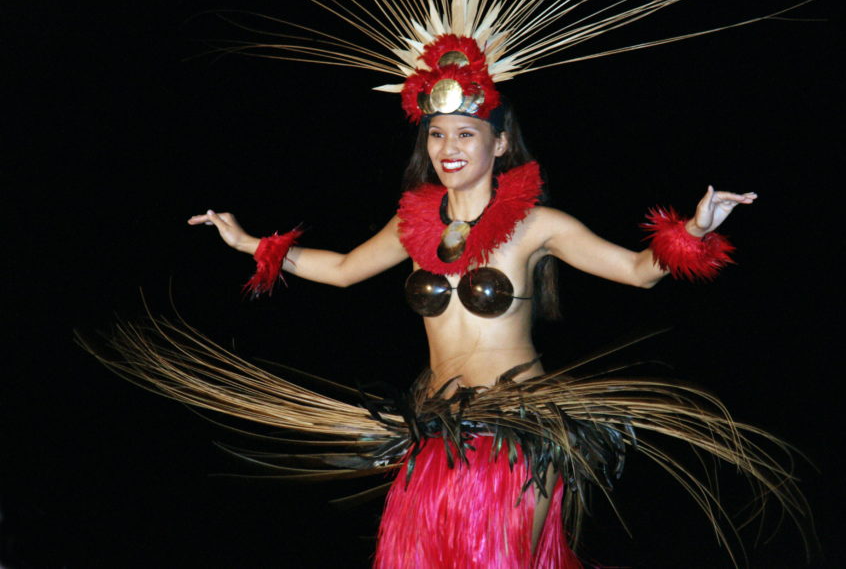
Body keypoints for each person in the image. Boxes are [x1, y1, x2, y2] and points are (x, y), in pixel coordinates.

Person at [181, 101, 766, 568]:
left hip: (520, 432)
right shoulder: (413, 224)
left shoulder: (537, 224)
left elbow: (639, 273)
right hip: (435, 433)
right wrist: (250, 244)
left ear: (500, 143)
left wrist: (696, 227)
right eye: (437, 135)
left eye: (465, 134)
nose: (448, 149)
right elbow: (340, 270)